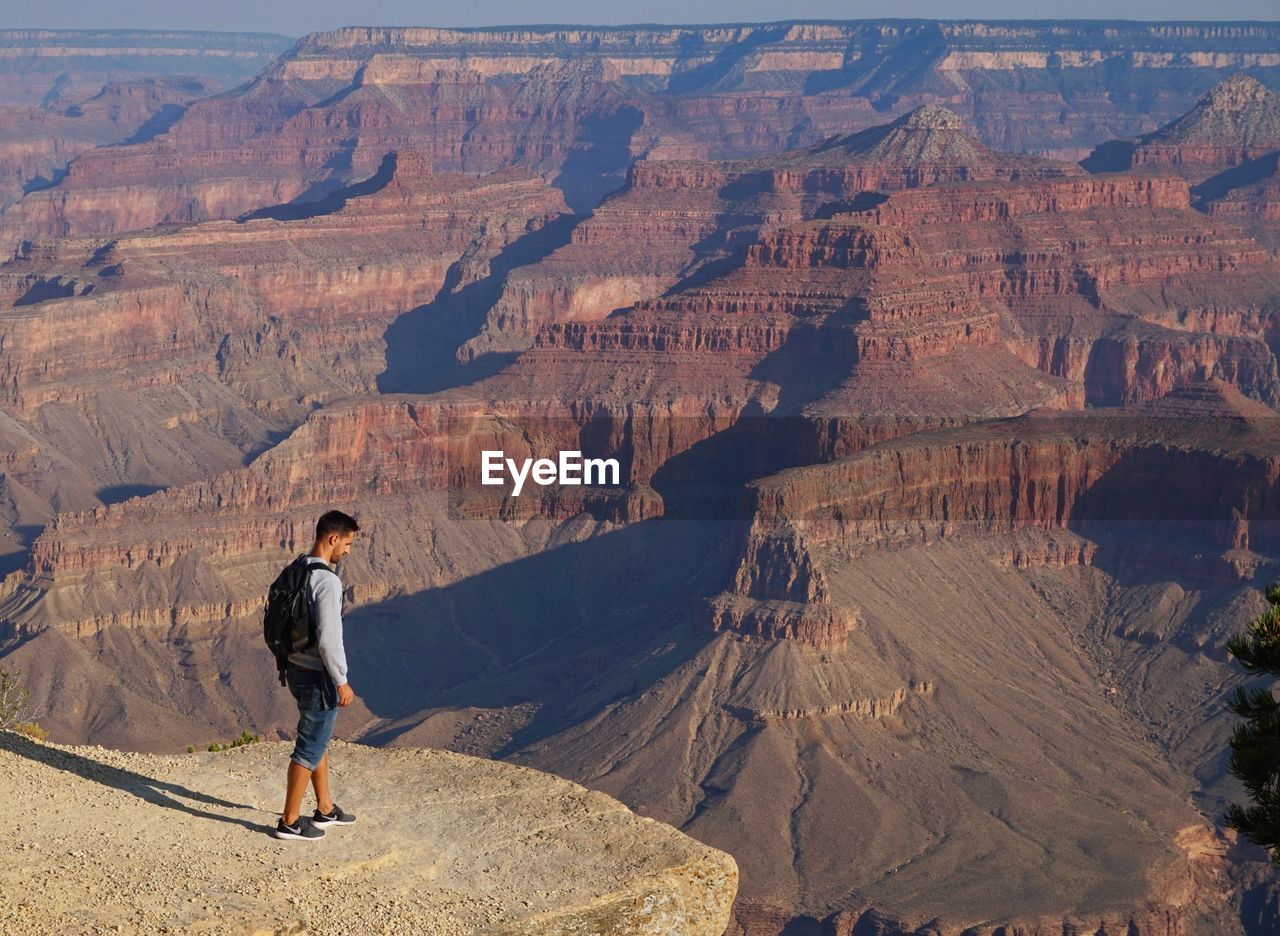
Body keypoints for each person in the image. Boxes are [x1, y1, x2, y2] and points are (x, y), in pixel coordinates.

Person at [274, 509, 361, 841]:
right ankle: (289, 821)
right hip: (316, 676)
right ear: (333, 538)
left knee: (317, 740)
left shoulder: (297, 568)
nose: (348, 551)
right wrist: (341, 680)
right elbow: (328, 639)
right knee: (308, 748)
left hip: (294, 668)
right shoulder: (326, 581)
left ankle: (324, 809)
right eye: (348, 543)